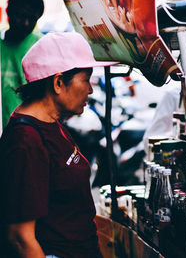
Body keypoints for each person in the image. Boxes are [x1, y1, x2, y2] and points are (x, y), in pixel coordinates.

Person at [0, 32, 118, 258]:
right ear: (58, 82)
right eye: (86, 80)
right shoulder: (26, 141)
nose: (90, 90)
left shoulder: (52, 123)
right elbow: (20, 238)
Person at [1, 0, 44, 129]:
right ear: (8, 12)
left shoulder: (42, 46)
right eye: (21, 16)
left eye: (32, 19)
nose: (26, 23)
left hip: (26, 132)